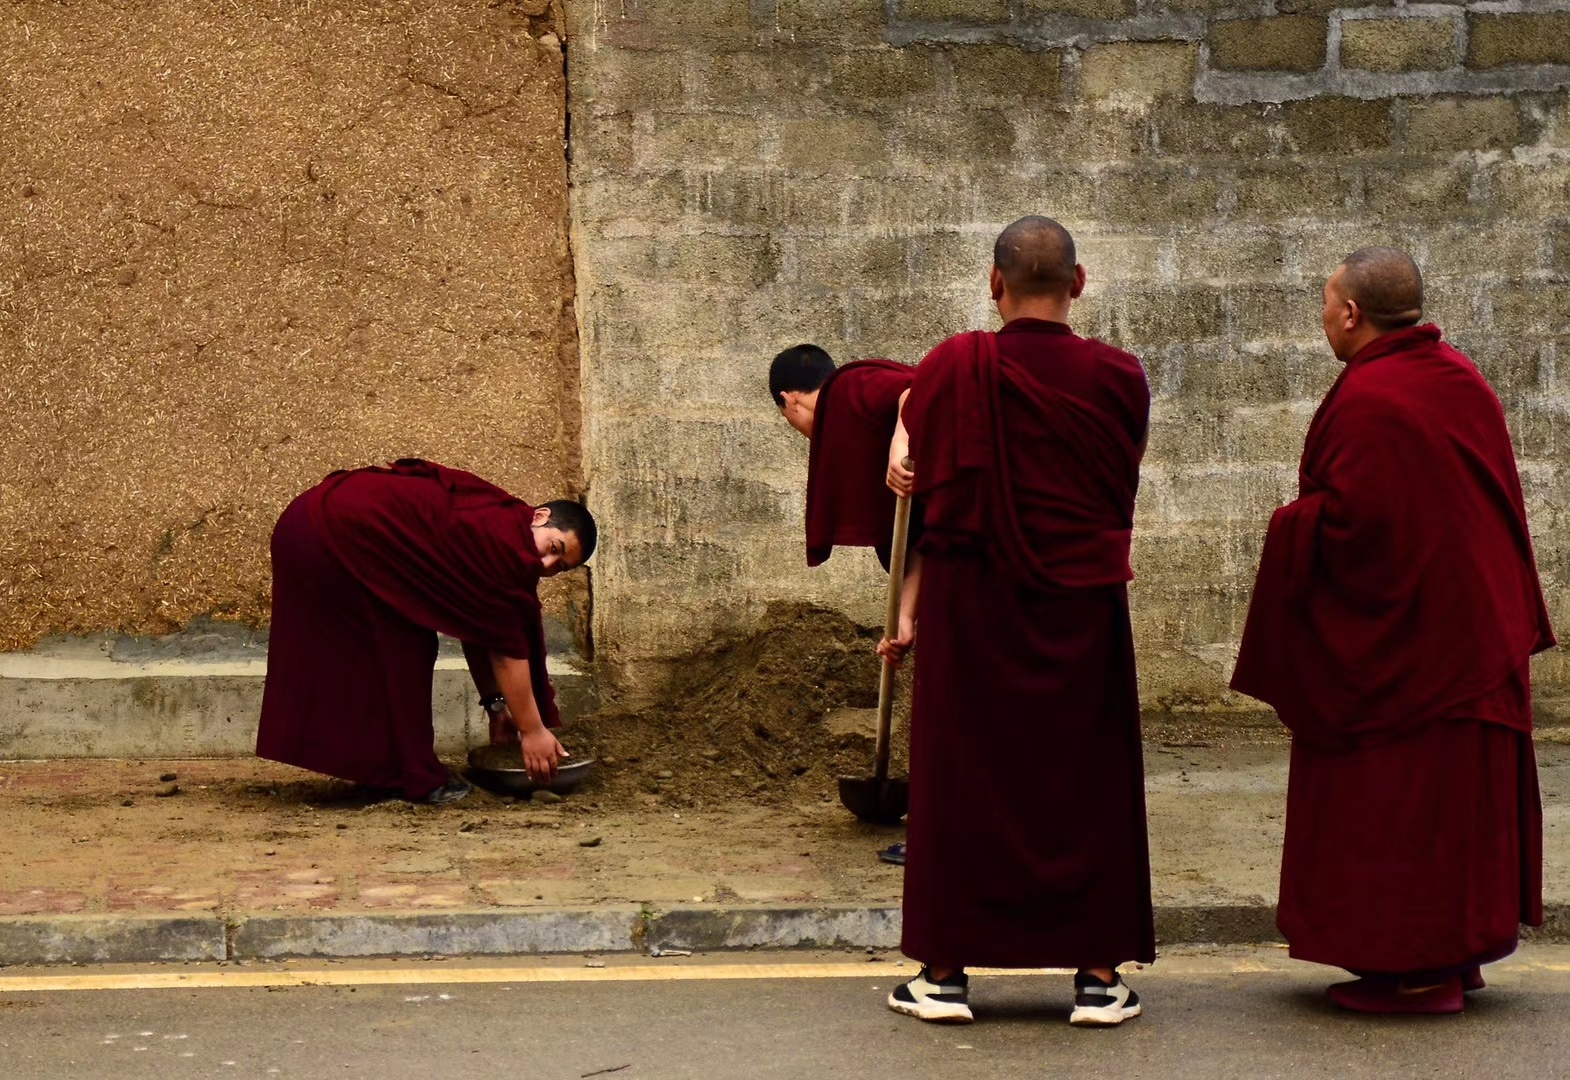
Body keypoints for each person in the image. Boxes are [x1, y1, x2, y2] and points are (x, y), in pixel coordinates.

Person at [1230, 248, 1555, 1014]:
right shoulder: (1457, 377)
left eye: (1325, 304)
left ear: (1351, 313)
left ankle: (1420, 974)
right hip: (1472, 632)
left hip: (1412, 646)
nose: (1322, 317)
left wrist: (1289, 527)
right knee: (1453, 806)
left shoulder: (1373, 398)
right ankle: (1455, 953)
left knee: (1402, 803)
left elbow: (1357, 527)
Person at [878, 216, 1155, 1026]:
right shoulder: (1120, 376)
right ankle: (1099, 978)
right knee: (1086, 781)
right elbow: (1115, 481)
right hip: (1082, 605)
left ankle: (945, 976)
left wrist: (903, 430)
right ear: (1079, 283)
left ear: (993, 284)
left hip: (974, 608)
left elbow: (928, 470)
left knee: (966, 778)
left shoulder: (952, 369)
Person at [257, 458, 596, 805]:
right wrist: (533, 731)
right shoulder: (503, 540)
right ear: (539, 517)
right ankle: (410, 777)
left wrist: (496, 708)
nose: (545, 566)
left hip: (313, 525)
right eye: (554, 549)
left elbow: (481, 628)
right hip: (327, 535)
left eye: (560, 567)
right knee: (405, 650)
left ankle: (391, 772)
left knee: (396, 646)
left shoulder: (503, 532)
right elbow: (505, 650)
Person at [770, 343, 917, 865]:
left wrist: (902, 442)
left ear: (790, 401)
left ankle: (951, 837)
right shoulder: (848, 431)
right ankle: (948, 830)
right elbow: (921, 540)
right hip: (951, 570)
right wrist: (905, 616)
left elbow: (915, 392)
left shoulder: (848, 391)